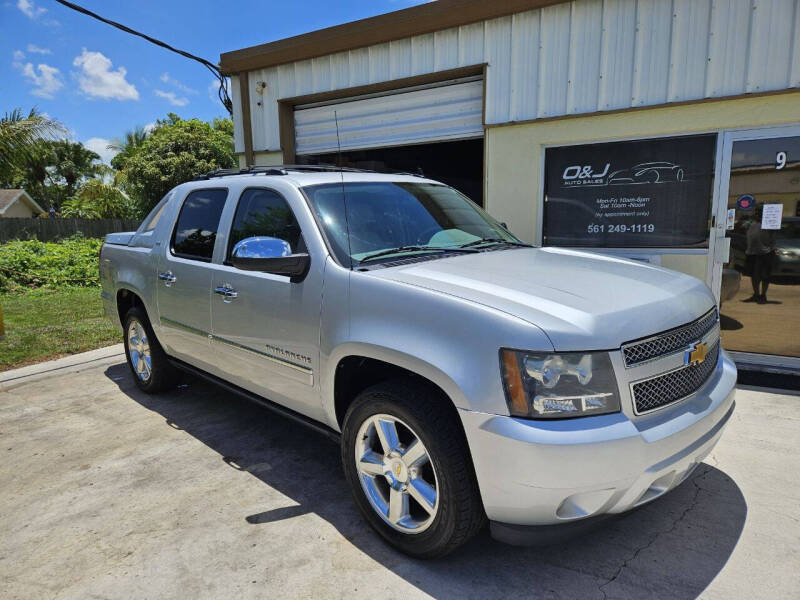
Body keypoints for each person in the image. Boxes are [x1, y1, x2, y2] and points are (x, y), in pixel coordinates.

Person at [743, 205, 776, 304]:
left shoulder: (769, 225)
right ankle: (756, 294)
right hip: (752, 253)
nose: (757, 214)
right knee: (754, 275)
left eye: (759, 212)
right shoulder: (751, 223)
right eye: (756, 212)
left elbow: (773, 236)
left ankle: (763, 295)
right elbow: (742, 227)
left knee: (765, 275)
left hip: (766, 253)